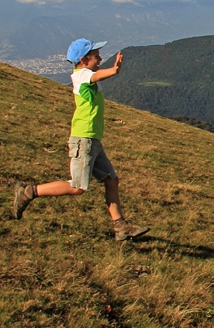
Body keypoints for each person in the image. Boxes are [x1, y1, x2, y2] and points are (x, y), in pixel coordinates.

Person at [13, 38, 148, 241]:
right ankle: (28, 192)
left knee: (111, 180)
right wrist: (115, 69)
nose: (100, 58)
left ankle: (121, 227)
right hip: (83, 139)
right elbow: (98, 75)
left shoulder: (86, 75)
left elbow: (97, 77)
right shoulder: (82, 76)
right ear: (84, 60)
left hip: (92, 140)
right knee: (77, 187)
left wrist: (112, 70)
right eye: (96, 56)